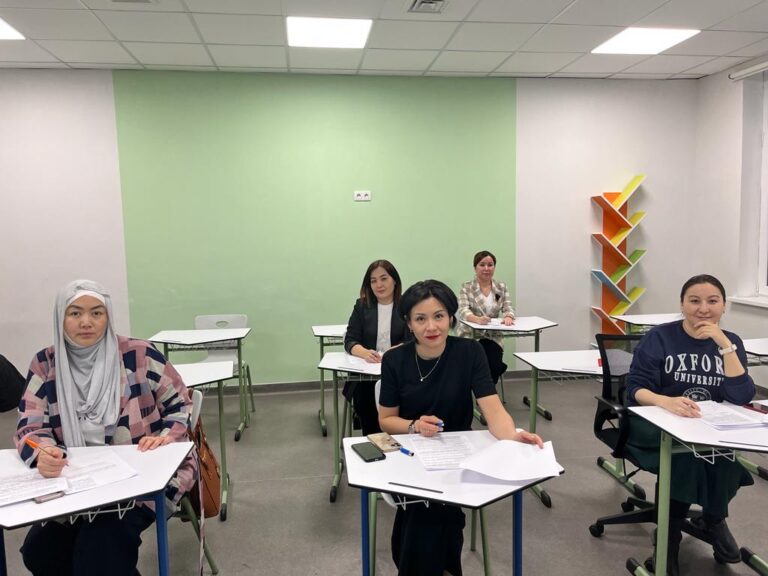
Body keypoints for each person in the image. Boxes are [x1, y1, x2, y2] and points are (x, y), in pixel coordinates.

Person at [14, 279, 196, 576]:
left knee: (100, 553)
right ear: (60, 317)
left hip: (144, 477)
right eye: (75, 313)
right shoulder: (45, 363)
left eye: (96, 313)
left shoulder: (139, 354)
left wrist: (166, 437)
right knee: (39, 553)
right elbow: (29, 427)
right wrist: (43, 452)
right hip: (76, 480)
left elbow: (181, 406)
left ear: (108, 316)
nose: (86, 322)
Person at [378, 279, 542, 576]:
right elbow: (386, 420)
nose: (431, 326)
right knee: (433, 508)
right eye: (421, 319)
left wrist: (514, 436)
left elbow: (492, 408)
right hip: (409, 454)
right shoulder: (395, 359)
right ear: (409, 324)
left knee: (432, 509)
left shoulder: (469, 352)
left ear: (451, 317)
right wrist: (414, 426)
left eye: (439, 316)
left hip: (458, 456)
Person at [625, 274, 755, 575]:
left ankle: (712, 518)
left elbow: (741, 396)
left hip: (707, 426)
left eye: (713, 301)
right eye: (694, 301)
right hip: (657, 422)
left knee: (723, 457)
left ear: (724, 306)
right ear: (682, 305)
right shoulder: (659, 337)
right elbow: (634, 388)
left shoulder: (731, 342)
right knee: (685, 456)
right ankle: (670, 536)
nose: (703, 308)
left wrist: (724, 345)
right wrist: (665, 401)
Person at [344, 260, 409, 435]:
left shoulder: (406, 306)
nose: (379, 285)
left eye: (384, 278)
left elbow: (412, 340)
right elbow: (350, 340)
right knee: (364, 398)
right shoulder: (362, 306)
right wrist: (365, 353)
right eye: (373, 281)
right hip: (366, 373)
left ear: (394, 280)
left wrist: (394, 351)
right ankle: (371, 436)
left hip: (399, 370)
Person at [455, 250, 515, 385]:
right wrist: (477, 319)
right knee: (480, 363)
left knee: (493, 363)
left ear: (494, 267)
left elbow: (508, 307)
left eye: (490, 265)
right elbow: (463, 310)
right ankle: (482, 388)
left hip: (493, 336)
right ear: (475, 267)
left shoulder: (501, 286)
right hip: (470, 335)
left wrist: (509, 316)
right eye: (482, 265)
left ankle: (487, 391)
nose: (486, 268)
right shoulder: (466, 287)